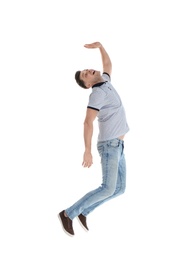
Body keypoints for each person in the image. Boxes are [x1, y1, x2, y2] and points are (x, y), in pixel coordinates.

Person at [58, 42, 129, 236]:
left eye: (86, 70)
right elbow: (88, 122)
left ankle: (84, 212)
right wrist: (87, 150)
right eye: (85, 75)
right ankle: (68, 214)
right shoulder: (96, 94)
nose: (88, 71)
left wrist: (101, 47)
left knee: (120, 188)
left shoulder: (105, 81)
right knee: (107, 188)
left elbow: (108, 65)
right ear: (88, 85)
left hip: (119, 145)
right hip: (109, 145)